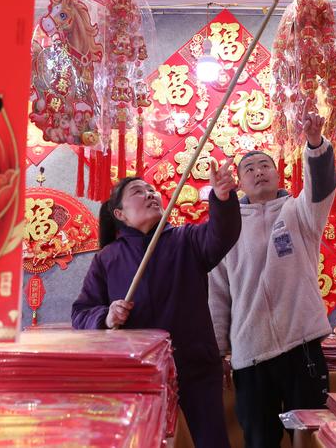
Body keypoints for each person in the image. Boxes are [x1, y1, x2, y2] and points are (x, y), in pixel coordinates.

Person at [72, 160, 240, 448]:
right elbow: (81, 313)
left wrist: (222, 199)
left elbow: (222, 235)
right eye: (138, 191)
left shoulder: (187, 239)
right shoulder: (108, 258)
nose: (150, 194)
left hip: (195, 367)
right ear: (120, 214)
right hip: (138, 373)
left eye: (151, 190)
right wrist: (107, 316)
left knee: (209, 441)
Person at [209, 113, 336, 447]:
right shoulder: (227, 227)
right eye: (249, 169)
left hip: (302, 344)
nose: (258, 171)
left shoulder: (300, 212)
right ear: (239, 182)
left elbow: (321, 190)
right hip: (250, 352)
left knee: (309, 438)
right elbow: (217, 294)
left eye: (265, 165)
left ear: (277, 173)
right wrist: (218, 351)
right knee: (259, 439)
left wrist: (315, 145)